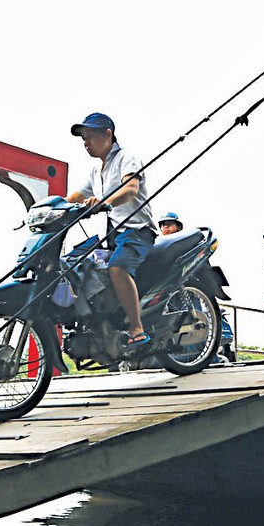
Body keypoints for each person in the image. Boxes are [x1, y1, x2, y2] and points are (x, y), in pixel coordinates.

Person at [66, 112, 157, 349]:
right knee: (69, 261)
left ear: (108, 134)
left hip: (136, 230)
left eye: (91, 137)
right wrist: (52, 209)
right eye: (83, 139)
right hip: (111, 234)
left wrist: (105, 202)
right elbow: (75, 197)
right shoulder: (97, 171)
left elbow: (131, 188)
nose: (86, 143)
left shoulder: (127, 158)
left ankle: (136, 327)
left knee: (117, 268)